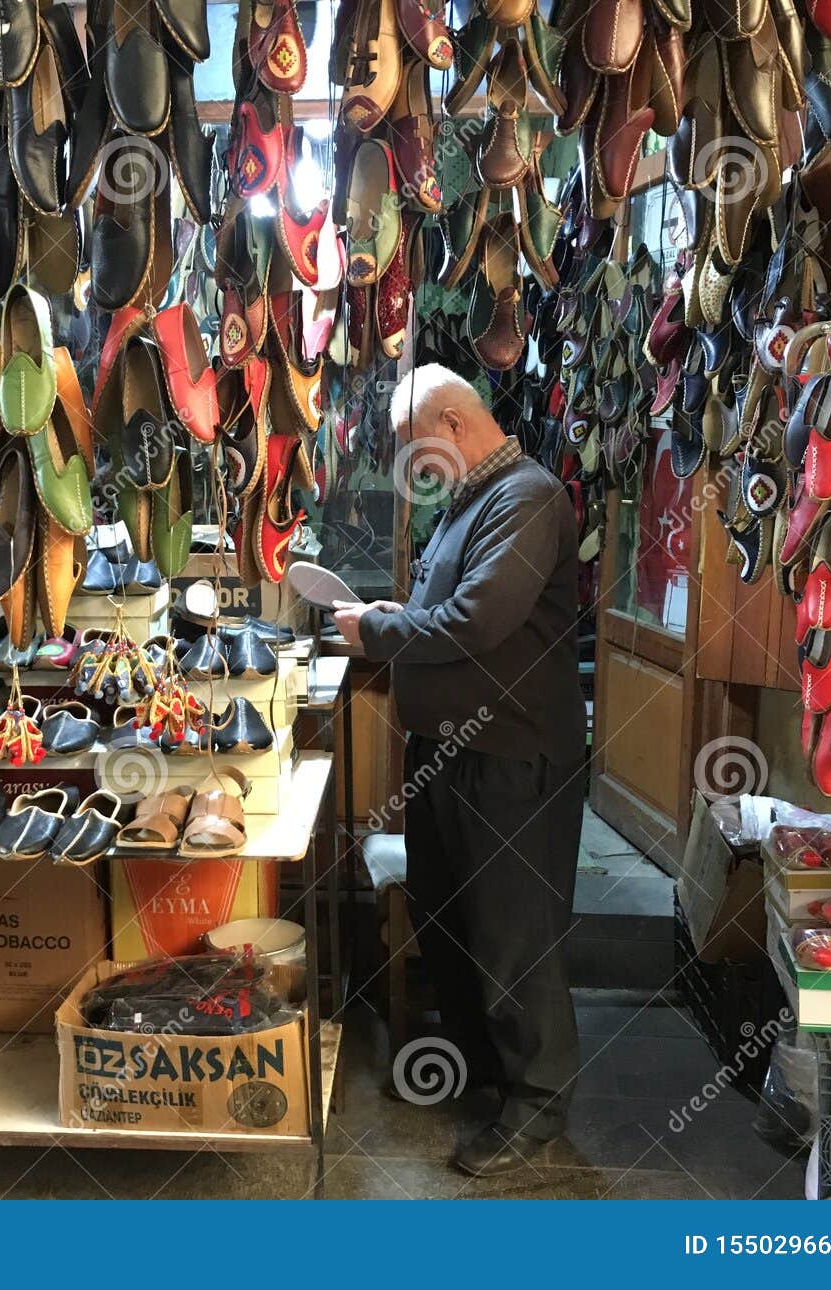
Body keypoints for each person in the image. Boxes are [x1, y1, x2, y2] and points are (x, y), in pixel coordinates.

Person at [333, 363, 586, 1178]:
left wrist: (378, 632)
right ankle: (487, 1079)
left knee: (515, 937)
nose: (416, 465)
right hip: (451, 757)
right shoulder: (472, 504)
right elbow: (441, 615)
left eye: (415, 447)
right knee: (453, 924)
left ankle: (537, 1109)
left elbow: (476, 620)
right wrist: (389, 625)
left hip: (509, 757)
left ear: (451, 423)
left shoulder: (530, 498)